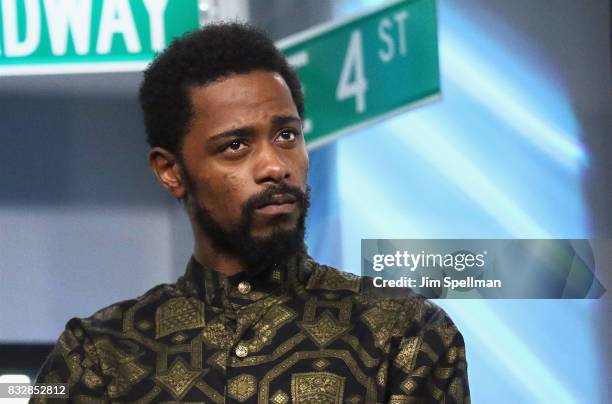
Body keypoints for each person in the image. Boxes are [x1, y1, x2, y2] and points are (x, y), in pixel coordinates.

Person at [32, 23, 469, 403]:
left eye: (286, 135)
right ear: (171, 172)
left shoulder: (402, 332)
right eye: (235, 146)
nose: (275, 166)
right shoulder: (101, 356)